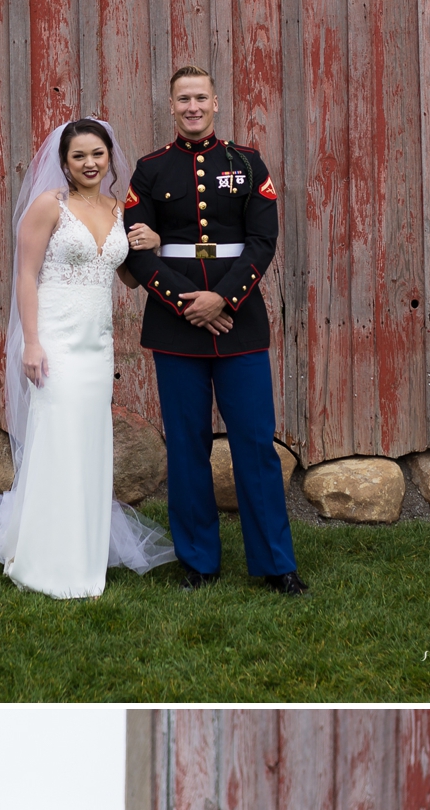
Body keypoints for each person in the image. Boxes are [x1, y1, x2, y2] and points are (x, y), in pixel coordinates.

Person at [121, 67, 306, 594]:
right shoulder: (150, 170)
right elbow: (136, 248)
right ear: (172, 105)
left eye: (201, 97)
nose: (193, 106)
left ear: (216, 102)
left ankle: (276, 563)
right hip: (175, 328)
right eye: (184, 98)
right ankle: (198, 561)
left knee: (254, 444)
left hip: (239, 322)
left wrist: (222, 298)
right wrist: (188, 304)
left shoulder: (247, 164)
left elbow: (262, 241)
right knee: (186, 446)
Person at [0, 116, 174, 597]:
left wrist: (156, 242)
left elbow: (129, 277)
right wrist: (31, 341)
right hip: (54, 337)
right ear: (64, 163)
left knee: (87, 443)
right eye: (79, 156)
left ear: (109, 157)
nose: (90, 163)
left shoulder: (117, 210)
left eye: (97, 154)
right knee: (58, 440)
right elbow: (25, 276)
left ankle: (83, 549)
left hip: (96, 343)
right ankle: (46, 558)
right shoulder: (50, 205)